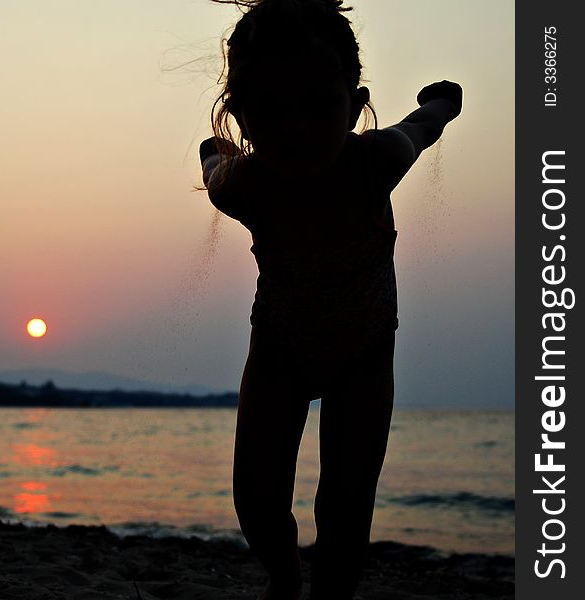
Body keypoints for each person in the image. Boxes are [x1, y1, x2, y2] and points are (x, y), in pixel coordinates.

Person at [198, 1, 462, 598]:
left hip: (364, 353)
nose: (296, 129)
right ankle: (286, 574)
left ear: (356, 102)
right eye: (271, 111)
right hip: (278, 351)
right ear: (241, 114)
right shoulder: (248, 184)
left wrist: (443, 102)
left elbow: (421, 128)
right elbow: (216, 170)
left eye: (319, 106)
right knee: (257, 499)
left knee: (347, 503)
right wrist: (213, 154)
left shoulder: (375, 161)